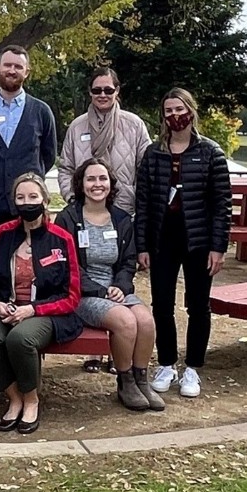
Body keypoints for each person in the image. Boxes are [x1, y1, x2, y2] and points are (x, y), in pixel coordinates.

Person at [135, 88, 232, 400]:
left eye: (179, 109)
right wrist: (142, 245)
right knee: (161, 304)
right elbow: (144, 203)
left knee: (198, 305)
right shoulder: (154, 153)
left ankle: (193, 367)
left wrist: (219, 246)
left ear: (190, 110)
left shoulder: (211, 153)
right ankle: (166, 363)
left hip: (198, 240)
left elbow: (222, 205)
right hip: (162, 238)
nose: (175, 116)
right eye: (168, 111)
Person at [0, 173, 81, 435]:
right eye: (20, 197)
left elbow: (72, 295)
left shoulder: (61, 238)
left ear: (45, 199)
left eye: (33, 196)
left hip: (45, 310)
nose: (27, 202)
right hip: (7, 307)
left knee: (20, 339)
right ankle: (14, 397)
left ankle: (31, 398)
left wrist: (33, 309)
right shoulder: (1, 234)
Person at [55, 160, 163, 412]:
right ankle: (125, 381)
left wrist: (120, 287)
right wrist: (100, 291)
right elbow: (67, 266)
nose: (97, 184)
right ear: (81, 185)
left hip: (115, 290)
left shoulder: (122, 219)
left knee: (145, 321)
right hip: (81, 293)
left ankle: (141, 380)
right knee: (126, 321)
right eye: (91, 179)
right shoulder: (67, 219)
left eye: (102, 179)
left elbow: (127, 262)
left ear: (111, 184)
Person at [0, 46, 57, 234]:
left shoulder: (41, 111)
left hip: (29, 208)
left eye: (18, 66)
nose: (12, 70)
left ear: (27, 72)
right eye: (7, 65)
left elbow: (48, 156)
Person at [57, 67, 151, 217]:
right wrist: (72, 197)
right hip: (85, 209)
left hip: (125, 210)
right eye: (97, 90)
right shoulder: (76, 127)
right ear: (90, 91)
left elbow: (146, 169)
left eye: (108, 90)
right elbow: (65, 168)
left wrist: (137, 200)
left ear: (117, 90)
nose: (102, 95)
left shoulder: (134, 125)